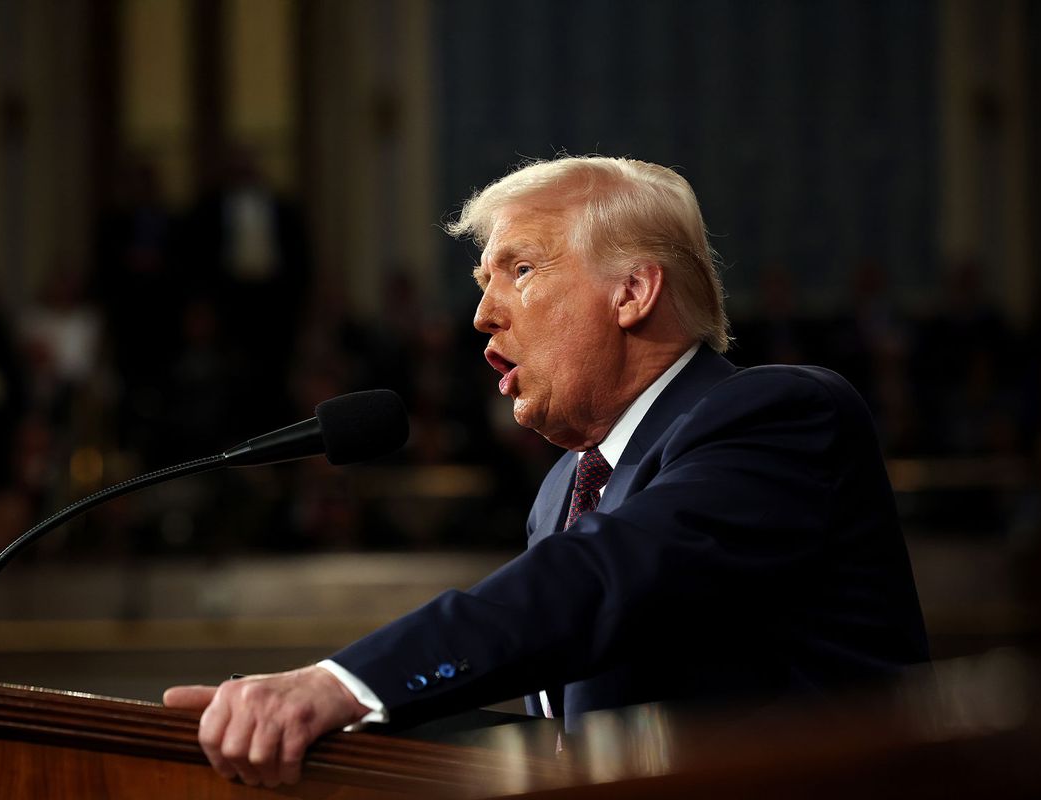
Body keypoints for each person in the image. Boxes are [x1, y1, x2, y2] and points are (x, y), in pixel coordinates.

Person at [164, 156, 929, 788]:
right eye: (481, 284)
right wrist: (349, 722)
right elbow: (578, 738)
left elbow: (600, 579)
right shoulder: (563, 488)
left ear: (633, 291)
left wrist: (340, 684)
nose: (483, 316)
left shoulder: (781, 416)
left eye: (520, 269)